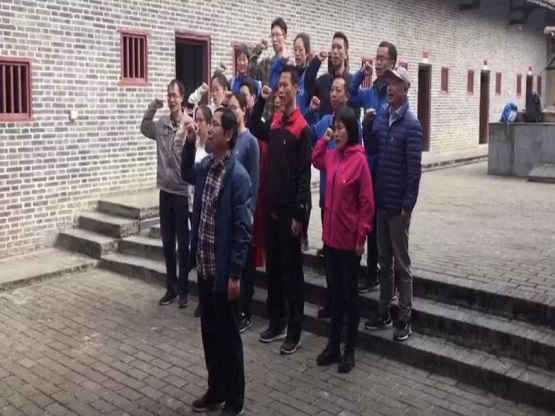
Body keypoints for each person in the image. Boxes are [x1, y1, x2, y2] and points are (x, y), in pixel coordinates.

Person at [181, 108, 252, 416]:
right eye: (208, 125)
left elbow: (242, 230)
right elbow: (186, 172)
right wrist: (189, 142)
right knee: (210, 335)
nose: (208, 129)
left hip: (224, 273)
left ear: (229, 134)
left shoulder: (238, 177)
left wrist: (235, 273)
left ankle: (235, 400)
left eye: (215, 126)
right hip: (205, 267)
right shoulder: (206, 166)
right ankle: (216, 390)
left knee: (228, 338)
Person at [312, 106, 374, 373]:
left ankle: (349, 350)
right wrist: (323, 139)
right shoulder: (332, 156)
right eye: (335, 128)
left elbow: (367, 204)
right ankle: (333, 345)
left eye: (340, 129)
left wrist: (361, 237)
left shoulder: (360, 162)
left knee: (350, 299)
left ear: (351, 131)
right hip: (330, 240)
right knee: (335, 296)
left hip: (349, 242)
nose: (336, 133)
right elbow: (316, 159)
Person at [364, 66, 422, 342]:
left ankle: (405, 316)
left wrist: (408, 205)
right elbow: (372, 151)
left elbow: (414, 170)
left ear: (406, 89)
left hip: (398, 207)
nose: (390, 87)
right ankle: (384, 310)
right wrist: (367, 126)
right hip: (381, 203)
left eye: (396, 83)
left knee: (401, 265)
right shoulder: (382, 117)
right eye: (388, 83)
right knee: (384, 262)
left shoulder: (411, 124)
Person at [258, 66, 312, 355]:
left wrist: (300, 214)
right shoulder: (275, 121)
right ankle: (276, 322)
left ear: (296, 88)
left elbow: (304, 176)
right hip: (271, 209)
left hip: (290, 214)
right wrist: (261, 100)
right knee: (274, 271)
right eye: (278, 85)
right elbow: (253, 125)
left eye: (285, 85)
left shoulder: (302, 129)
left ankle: (295, 330)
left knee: (293, 275)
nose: (280, 89)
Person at [306, 75, 360, 319]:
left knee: (344, 263)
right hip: (327, 200)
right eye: (332, 90)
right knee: (329, 256)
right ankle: (331, 301)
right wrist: (311, 112)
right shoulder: (326, 121)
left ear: (347, 95)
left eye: (339, 90)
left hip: (346, 206)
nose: (334, 94)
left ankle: (346, 307)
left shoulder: (352, 124)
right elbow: (309, 136)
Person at [351, 41, 398, 294]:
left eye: (382, 58)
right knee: (368, 220)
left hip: (386, 168)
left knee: (385, 226)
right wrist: (362, 73)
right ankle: (371, 274)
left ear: (392, 63)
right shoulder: (370, 92)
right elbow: (350, 93)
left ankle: (387, 277)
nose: (378, 62)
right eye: (376, 58)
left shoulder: (393, 93)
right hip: (368, 165)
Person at [140, 79, 191, 309]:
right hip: (165, 191)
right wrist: (153, 105)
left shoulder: (188, 124)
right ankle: (171, 287)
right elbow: (144, 127)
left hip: (182, 193)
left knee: (183, 243)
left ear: (182, 98)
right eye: (169, 95)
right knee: (168, 242)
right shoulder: (161, 124)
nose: (171, 100)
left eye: (174, 96)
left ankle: (184, 290)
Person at [227, 92, 261, 333]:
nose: (232, 112)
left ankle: (246, 312)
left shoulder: (250, 141)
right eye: (229, 108)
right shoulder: (229, 139)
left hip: (244, 210)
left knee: (246, 265)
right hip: (229, 209)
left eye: (234, 108)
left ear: (243, 111)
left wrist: (251, 209)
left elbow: (255, 178)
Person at [249, 17, 294, 120]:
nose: (274, 39)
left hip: (283, 119)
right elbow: (251, 73)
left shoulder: (290, 66)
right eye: (272, 35)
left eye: (277, 35)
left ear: (285, 37)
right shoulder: (266, 63)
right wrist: (258, 49)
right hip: (266, 117)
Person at [305, 32, 352, 116]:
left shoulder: (351, 81)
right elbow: (308, 86)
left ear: (346, 54)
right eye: (333, 47)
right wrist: (316, 61)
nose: (335, 51)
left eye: (339, 47)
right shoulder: (324, 80)